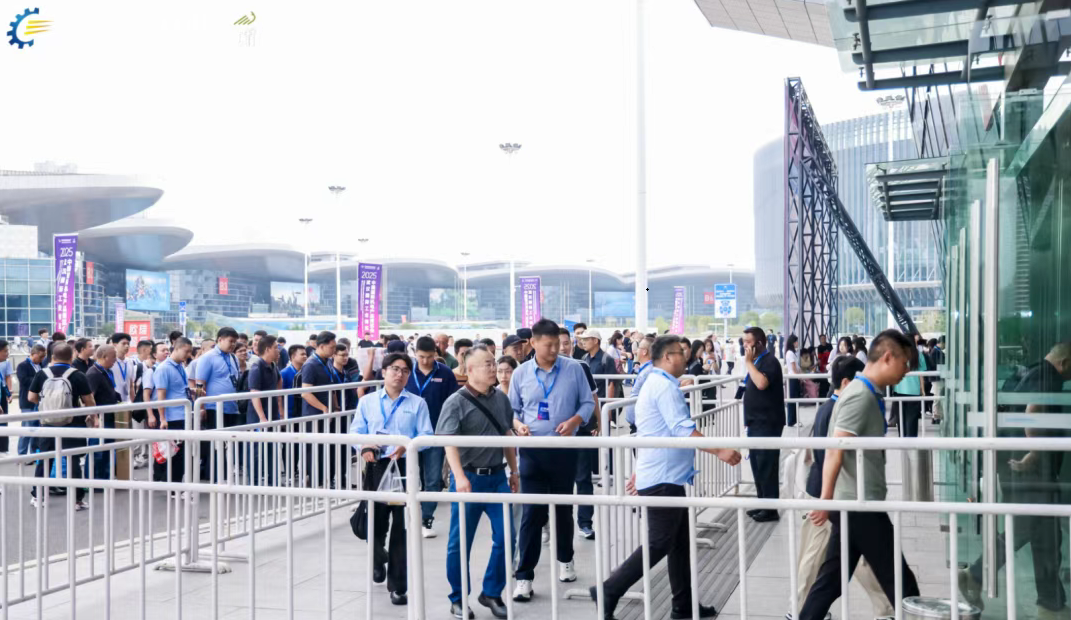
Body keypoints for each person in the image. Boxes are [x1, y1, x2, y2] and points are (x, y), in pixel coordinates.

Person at [592, 335, 741, 619]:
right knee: (660, 542)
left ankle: (683, 605)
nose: (686, 357)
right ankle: (610, 589)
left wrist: (639, 470)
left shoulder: (659, 383)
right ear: (667, 357)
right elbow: (682, 429)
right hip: (662, 479)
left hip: (665, 475)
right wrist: (720, 450)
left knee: (679, 543)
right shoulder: (663, 387)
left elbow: (651, 430)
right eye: (681, 353)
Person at [799, 330, 921, 620]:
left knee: (830, 582)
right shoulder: (860, 396)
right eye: (904, 363)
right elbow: (835, 449)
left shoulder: (865, 392)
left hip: (857, 501)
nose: (906, 371)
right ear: (887, 357)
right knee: (902, 584)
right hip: (858, 504)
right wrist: (825, 500)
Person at [958, 342, 1071, 620]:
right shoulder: (1048, 377)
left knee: (1038, 532)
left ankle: (1050, 602)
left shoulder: (1026, 371)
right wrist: (1035, 452)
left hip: (1011, 464)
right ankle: (978, 575)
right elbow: (1032, 412)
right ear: (1065, 363)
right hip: (1031, 469)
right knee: (1034, 530)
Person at [791, 355, 893, 619]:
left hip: (833, 496)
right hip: (828, 496)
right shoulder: (838, 410)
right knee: (816, 558)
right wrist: (827, 498)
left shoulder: (833, 407)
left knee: (845, 561)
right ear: (847, 382)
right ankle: (801, 608)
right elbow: (828, 456)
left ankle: (887, 606)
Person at [509, 319, 596, 602]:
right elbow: (512, 410)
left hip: (564, 450)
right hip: (532, 452)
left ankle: (565, 560)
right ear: (533, 343)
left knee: (563, 510)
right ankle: (524, 577)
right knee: (532, 514)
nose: (555, 350)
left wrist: (574, 421)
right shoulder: (521, 373)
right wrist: (518, 425)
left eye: (558, 344)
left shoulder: (574, 369)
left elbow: (587, 403)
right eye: (549, 345)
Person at [438, 347, 519, 619]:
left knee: (507, 537)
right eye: (487, 364)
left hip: (497, 478)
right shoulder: (455, 402)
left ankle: (492, 592)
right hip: (468, 479)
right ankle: (458, 598)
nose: (493, 368)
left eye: (493, 363)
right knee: (459, 543)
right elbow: (448, 442)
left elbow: (507, 434)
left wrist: (514, 471)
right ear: (469, 370)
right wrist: (459, 477)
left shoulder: (501, 399)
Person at [351, 351, 434, 607]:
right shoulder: (367, 402)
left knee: (401, 527)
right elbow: (356, 431)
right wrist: (364, 446)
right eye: (395, 369)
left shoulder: (418, 403)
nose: (400, 374)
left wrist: (408, 445)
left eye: (405, 371)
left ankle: (398, 586)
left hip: (404, 467)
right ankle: (377, 558)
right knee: (371, 523)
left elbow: (426, 435)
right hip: (376, 466)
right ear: (384, 372)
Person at [27, 343, 97, 509]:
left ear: (52, 357)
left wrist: (46, 406)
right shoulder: (78, 375)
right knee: (73, 460)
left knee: (45, 460)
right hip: (72, 424)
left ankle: (38, 497)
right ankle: (76, 500)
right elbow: (89, 401)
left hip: (48, 424)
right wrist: (92, 416)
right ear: (71, 358)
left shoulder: (42, 374)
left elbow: (31, 397)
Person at [406, 336, 460, 539]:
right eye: (421, 357)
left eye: (429, 357)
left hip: (436, 433)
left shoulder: (445, 373)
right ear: (415, 354)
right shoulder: (407, 371)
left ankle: (426, 518)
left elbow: (453, 402)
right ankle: (410, 516)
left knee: (432, 479)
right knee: (411, 477)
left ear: (435, 354)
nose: (425, 361)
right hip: (409, 435)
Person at [564, 327, 604, 540]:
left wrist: (598, 420)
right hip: (555, 434)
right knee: (558, 480)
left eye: (566, 343)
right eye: (558, 344)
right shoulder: (538, 370)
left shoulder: (581, 366)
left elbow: (593, 396)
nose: (562, 348)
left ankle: (585, 523)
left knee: (583, 478)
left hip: (580, 431)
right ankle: (559, 522)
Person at [742, 327, 784, 523]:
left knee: (767, 465)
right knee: (757, 465)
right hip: (755, 422)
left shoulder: (769, 362)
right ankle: (763, 502)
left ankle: (770, 509)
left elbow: (761, 383)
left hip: (767, 422)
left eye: (748, 342)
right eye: (743, 342)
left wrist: (748, 363)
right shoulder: (758, 361)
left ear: (759, 343)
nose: (744, 346)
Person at [301, 331, 347, 489]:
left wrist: (336, 406)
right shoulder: (310, 364)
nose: (334, 350)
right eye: (332, 347)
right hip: (315, 414)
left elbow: (331, 387)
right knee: (315, 449)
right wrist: (324, 408)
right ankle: (315, 480)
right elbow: (306, 392)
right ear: (321, 346)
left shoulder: (326, 362)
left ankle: (326, 478)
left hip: (327, 414)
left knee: (327, 448)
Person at [150, 337, 194, 484]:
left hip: (183, 414)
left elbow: (180, 389)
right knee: (175, 454)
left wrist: (193, 392)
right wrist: (162, 419)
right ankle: (173, 486)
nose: (188, 354)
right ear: (176, 348)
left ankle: (173, 484)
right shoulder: (164, 368)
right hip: (173, 417)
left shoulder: (180, 366)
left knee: (181, 454)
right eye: (186, 351)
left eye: (190, 352)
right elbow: (160, 396)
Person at [85, 345, 121, 479]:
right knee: (97, 451)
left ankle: (105, 479)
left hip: (109, 417)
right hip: (100, 419)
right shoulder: (93, 374)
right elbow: (89, 398)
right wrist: (94, 417)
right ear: (105, 357)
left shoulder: (106, 371)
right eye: (113, 357)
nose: (115, 359)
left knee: (107, 450)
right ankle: (93, 480)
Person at [16, 344, 47, 455]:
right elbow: (24, 380)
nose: (42, 359)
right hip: (27, 402)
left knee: (37, 431)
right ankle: (22, 455)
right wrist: (39, 380)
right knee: (26, 430)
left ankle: (34, 454)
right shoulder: (22, 366)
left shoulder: (42, 365)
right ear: (33, 354)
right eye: (41, 356)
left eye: (43, 356)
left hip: (39, 402)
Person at [892, 337, 926, 437]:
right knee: (912, 419)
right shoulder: (918, 355)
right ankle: (911, 440)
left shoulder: (898, 354)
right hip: (914, 391)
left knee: (901, 419)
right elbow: (921, 375)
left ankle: (902, 439)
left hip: (899, 390)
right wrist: (922, 390)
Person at [624, 336, 655, 433]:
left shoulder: (649, 371)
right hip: (639, 422)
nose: (636, 351)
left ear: (644, 352)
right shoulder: (645, 369)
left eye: (639, 348)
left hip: (642, 424)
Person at [280, 344, 307, 418]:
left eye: (305, 354)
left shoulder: (307, 372)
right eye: (302, 354)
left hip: (304, 412)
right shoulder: (284, 373)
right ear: (293, 356)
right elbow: (279, 396)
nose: (305, 356)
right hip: (289, 415)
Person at [784, 334, 801, 427]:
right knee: (792, 399)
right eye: (796, 341)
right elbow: (793, 367)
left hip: (794, 378)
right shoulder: (790, 353)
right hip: (793, 378)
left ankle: (794, 420)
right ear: (793, 342)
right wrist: (799, 376)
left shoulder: (792, 352)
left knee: (795, 398)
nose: (797, 343)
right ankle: (791, 421)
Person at [0, 340, 11, 453]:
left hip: (2, 395)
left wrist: (8, 393)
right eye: (5, 351)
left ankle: (3, 449)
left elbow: (6, 378)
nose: (7, 353)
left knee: (3, 422)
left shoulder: (6, 362)